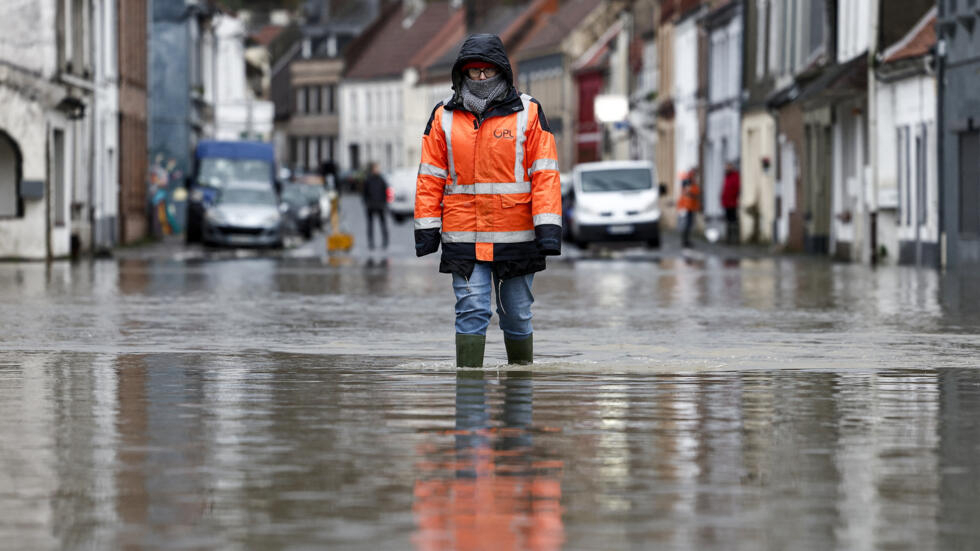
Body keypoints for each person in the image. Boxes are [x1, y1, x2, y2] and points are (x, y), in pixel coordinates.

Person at [414, 33, 562, 368]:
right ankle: (469, 408)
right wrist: (426, 230)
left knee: (517, 315)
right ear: (462, 74)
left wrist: (549, 229)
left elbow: (546, 175)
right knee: (471, 310)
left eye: (487, 71)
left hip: (518, 237)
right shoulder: (443, 117)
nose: (481, 78)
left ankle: (519, 401)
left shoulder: (529, 112)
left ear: (502, 71)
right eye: (474, 71)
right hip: (464, 237)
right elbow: (429, 178)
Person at [362, 162, 389, 250]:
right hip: (371, 206)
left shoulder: (382, 180)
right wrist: (367, 203)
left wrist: (384, 203)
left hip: (380, 205)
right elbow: (364, 193)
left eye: (378, 168)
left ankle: (385, 241)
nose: (377, 170)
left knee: (383, 224)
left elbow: (386, 191)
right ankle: (371, 242)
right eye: (376, 168)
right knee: (370, 225)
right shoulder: (368, 180)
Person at [677, 170, 701, 248]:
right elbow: (690, 194)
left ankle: (686, 241)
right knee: (687, 224)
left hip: (690, 207)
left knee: (689, 225)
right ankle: (685, 241)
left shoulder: (690, 184)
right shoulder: (688, 184)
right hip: (687, 207)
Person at [721, 162, 741, 244]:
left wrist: (733, 197)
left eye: (728, 167)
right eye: (726, 167)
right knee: (728, 221)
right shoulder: (727, 177)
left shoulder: (735, 176)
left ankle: (735, 238)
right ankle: (728, 238)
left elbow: (736, 188)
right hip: (726, 203)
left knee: (733, 221)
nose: (726, 169)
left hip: (732, 202)